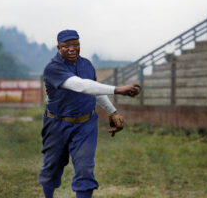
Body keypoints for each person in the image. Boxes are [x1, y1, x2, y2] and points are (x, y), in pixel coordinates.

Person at [39, 29, 141, 198]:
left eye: (76, 45)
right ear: (58, 48)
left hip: (85, 124)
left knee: (85, 169)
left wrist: (113, 111)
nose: (72, 49)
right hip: (57, 124)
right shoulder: (53, 68)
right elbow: (81, 86)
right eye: (66, 46)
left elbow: (93, 89)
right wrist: (118, 90)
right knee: (52, 167)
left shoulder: (86, 64)